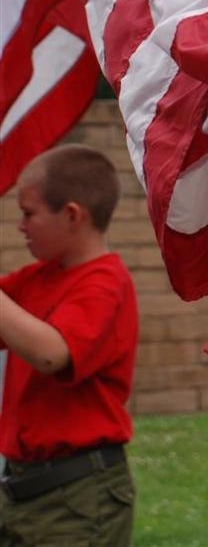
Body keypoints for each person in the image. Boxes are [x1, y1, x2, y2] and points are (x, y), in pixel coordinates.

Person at [0, 145, 138, 547]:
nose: (21, 226)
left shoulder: (105, 283)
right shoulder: (36, 279)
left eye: (29, 214)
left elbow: (52, 353)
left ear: (73, 215)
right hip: (22, 488)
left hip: (78, 497)